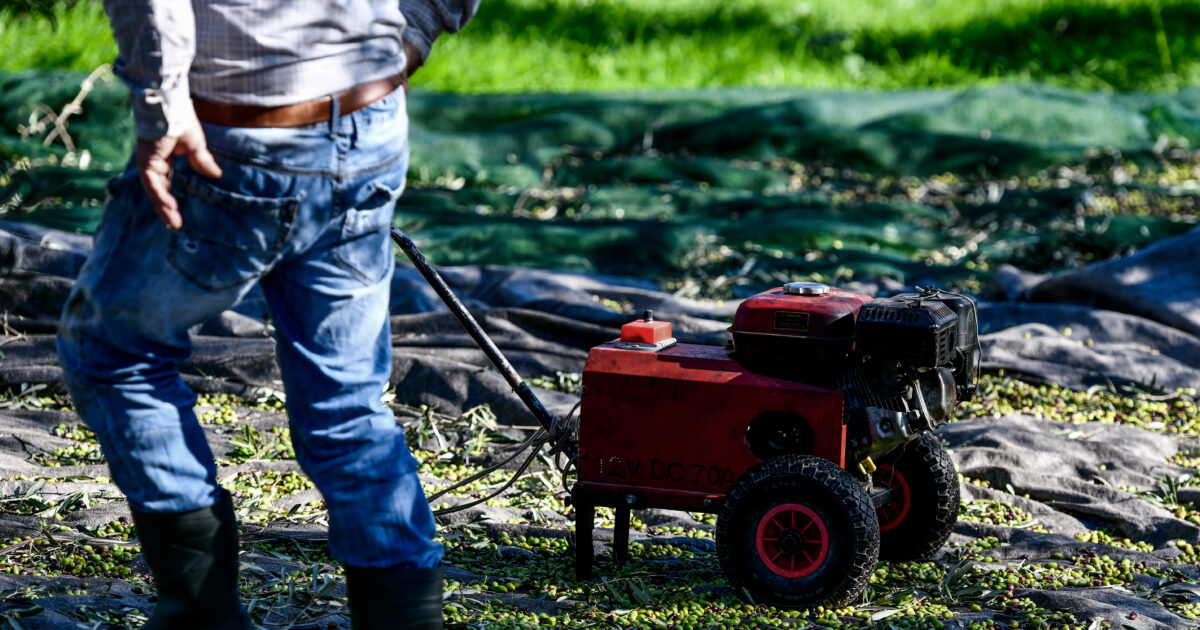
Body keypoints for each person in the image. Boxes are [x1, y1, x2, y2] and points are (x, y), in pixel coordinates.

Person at [56, 1, 480, 628]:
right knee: (347, 403)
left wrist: (160, 103)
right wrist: (407, 39)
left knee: (112, 352)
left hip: (236, 134)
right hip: (368, 119)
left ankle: (202, 619)